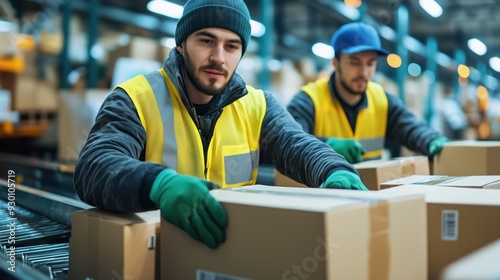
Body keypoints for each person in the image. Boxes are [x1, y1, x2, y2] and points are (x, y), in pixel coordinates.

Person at [74, 0, 367, 250]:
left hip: (230, 258)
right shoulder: (136, 99)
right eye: (206, 41)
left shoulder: (257, 105)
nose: (219, 58)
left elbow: (296, 143)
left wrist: (334, 169)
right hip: (155, 257)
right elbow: (93, 167)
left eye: (232, 46)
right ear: (181, 43)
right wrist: (158, 184)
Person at [287, 22, 449, 164]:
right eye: (354, 63)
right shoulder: (308, 101)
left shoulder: (382, 100)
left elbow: (411, 127)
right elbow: (290, 142)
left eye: (370, 63)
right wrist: (327, 144)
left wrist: (431, 139)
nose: (364, 73)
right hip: (322, 195)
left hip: (369, 193)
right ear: (335, 63)